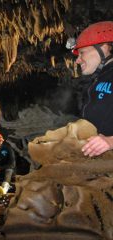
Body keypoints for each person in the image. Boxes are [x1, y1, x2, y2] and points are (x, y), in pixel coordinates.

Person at [69, 21, 113, 157]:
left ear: (104, 47)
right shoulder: (99, 79)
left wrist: (111, 141)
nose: (77, 60)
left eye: (82, 52)